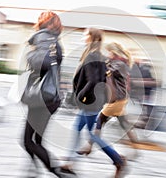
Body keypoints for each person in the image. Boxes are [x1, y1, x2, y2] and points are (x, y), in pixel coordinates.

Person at [21, 11, 73, 177]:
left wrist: (30, 54)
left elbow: (40, 63)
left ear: (47, 23)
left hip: (41, 97)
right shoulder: (55, 42)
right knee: (36, 141)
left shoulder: (43, 38)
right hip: (50, 97)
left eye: (41, 19)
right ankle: (36, 170)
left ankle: (56, 171)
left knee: (28, 141)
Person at [76, 42, 136, 178]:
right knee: (119, 123)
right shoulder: (116, 62)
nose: (107, 54)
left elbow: (108, 72)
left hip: (117, 100)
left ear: (113, 52)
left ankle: (116, 159)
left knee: (99, 121)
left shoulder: (119, 63)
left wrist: (100, 63)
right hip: (119, 100)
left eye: (108, 52)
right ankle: (93, 148)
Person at [62, 27, 107, 170]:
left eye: (85, 35)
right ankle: (70, 161)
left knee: (92, 134)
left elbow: (93, 80)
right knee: (77, 128)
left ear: (92, 37)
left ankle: (117, 158)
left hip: (90, 101)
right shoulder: (99, 55)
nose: (83, 37)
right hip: (95, 100)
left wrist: (81, 95)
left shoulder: (91, 56)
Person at [130, 59, 157, 129]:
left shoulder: (144, 70)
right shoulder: (141, 69)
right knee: (145, 109)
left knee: (145, 109)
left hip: (144, 93)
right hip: (143, 93)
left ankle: (143, 123)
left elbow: (150, 81)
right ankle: (143, 123)